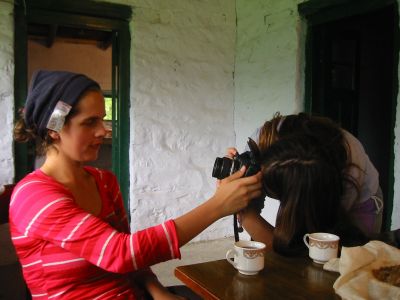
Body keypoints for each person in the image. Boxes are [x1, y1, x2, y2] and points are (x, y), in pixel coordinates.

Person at [10, 70, 262, 299]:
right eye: (90, 122)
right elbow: (121, 253)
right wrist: (217, 207)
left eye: (103, 119)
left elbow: (133, 260)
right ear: (54, 128)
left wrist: (157, 290)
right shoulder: (34, 197)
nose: (103, 131)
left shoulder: (103, 181)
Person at [231, 112, 383, 255]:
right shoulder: (262, 140)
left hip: (359, 201)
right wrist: (242, 200)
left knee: (342, 258)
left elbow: (308, 251)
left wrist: (246, 215)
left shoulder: (348, 170)